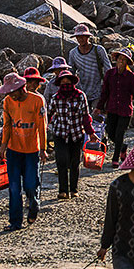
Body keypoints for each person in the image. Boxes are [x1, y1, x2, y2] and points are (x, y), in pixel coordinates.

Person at [0, 73, 47, 231]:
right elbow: (7, 126)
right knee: (14, 187)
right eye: (8, 92)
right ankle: (15, 221)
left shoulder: (37, 101)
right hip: (13, 150)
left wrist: (43, 149)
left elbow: (41, 127)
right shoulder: (8, 102)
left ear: (21, 88)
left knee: (31, 185)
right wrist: (2, 148)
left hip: (32, 150)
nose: (11, 95)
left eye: (13, 92)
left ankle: (34, 204)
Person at [94, 48, 134, 168]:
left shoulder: (131, 76)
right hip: (112, 108)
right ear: (116, 60)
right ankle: (123, 147)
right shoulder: (109, 74)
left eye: (124, 60)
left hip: (125, 110)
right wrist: (99, 107)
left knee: (119, 133)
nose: (121, 62)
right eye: (119, 59)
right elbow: (105, 93)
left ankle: (115, 158)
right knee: (110, 132)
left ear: (127, 63)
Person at [47, 70, 95, 199]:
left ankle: (74, 189)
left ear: (72, 82)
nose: (65, 84)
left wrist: (91, 133)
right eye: (63, 82)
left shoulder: (80, 96)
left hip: (76, 133)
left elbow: (85, 116)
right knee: (61, 161)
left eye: (68, 81)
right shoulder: (55, 98)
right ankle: (63, 190)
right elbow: (49, 114)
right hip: (60, 133)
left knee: (74, 162)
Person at [68, 24, 111, 109]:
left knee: (96, 116)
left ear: (88, 37)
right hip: (81, 91)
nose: (81, 39)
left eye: (83, 36)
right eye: (78, 37)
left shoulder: (98, 50)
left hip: (97, 91)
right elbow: (71, 72)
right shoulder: (73, 53)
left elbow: (108, 69)